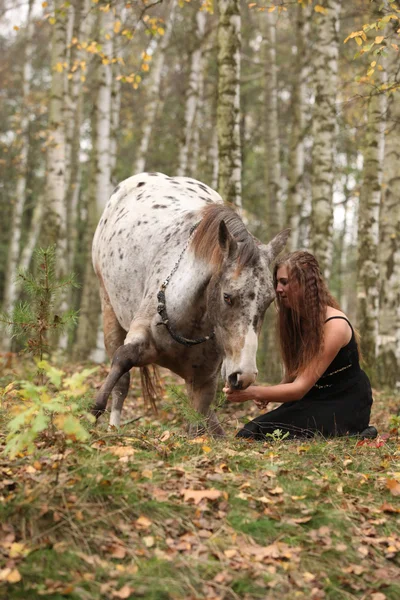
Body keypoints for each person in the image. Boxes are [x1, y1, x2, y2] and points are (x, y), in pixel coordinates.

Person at [224, 250, 377, 440]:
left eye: (285, 282)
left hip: (345, 401)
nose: (278, 289)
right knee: (252, 431)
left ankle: (357, 432)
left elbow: (299, 388)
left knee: (261, 434)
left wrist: (253, 392)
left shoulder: (334, 325)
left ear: (305, 283)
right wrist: (268, 394)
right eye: (277, 282)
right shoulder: (294, 319)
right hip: (313, 397)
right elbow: (295, 373)